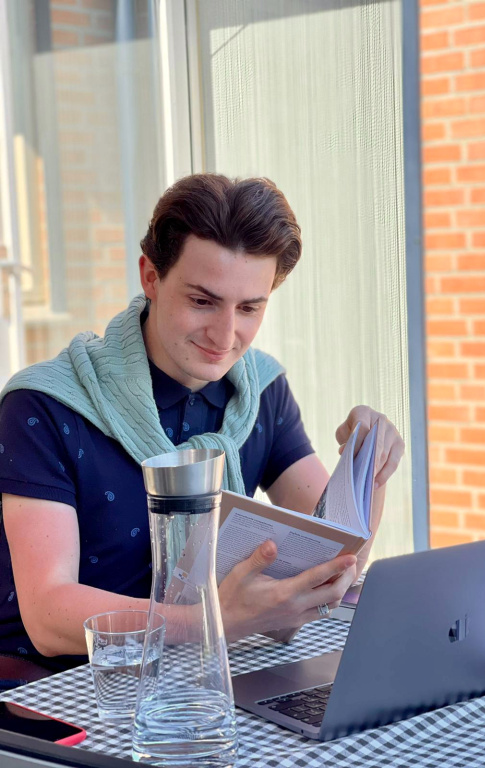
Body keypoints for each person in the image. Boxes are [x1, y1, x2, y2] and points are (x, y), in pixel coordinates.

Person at [0, 174, 404, 674]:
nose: (225, 336)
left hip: (204, 674)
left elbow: (336, 560)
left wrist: (369, 464)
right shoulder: (43, 405)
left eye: (249, 308)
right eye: (202, 301)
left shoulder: (260, 390)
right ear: (150, 277)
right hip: (55, 689)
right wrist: (213, 621)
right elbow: (47, 614)